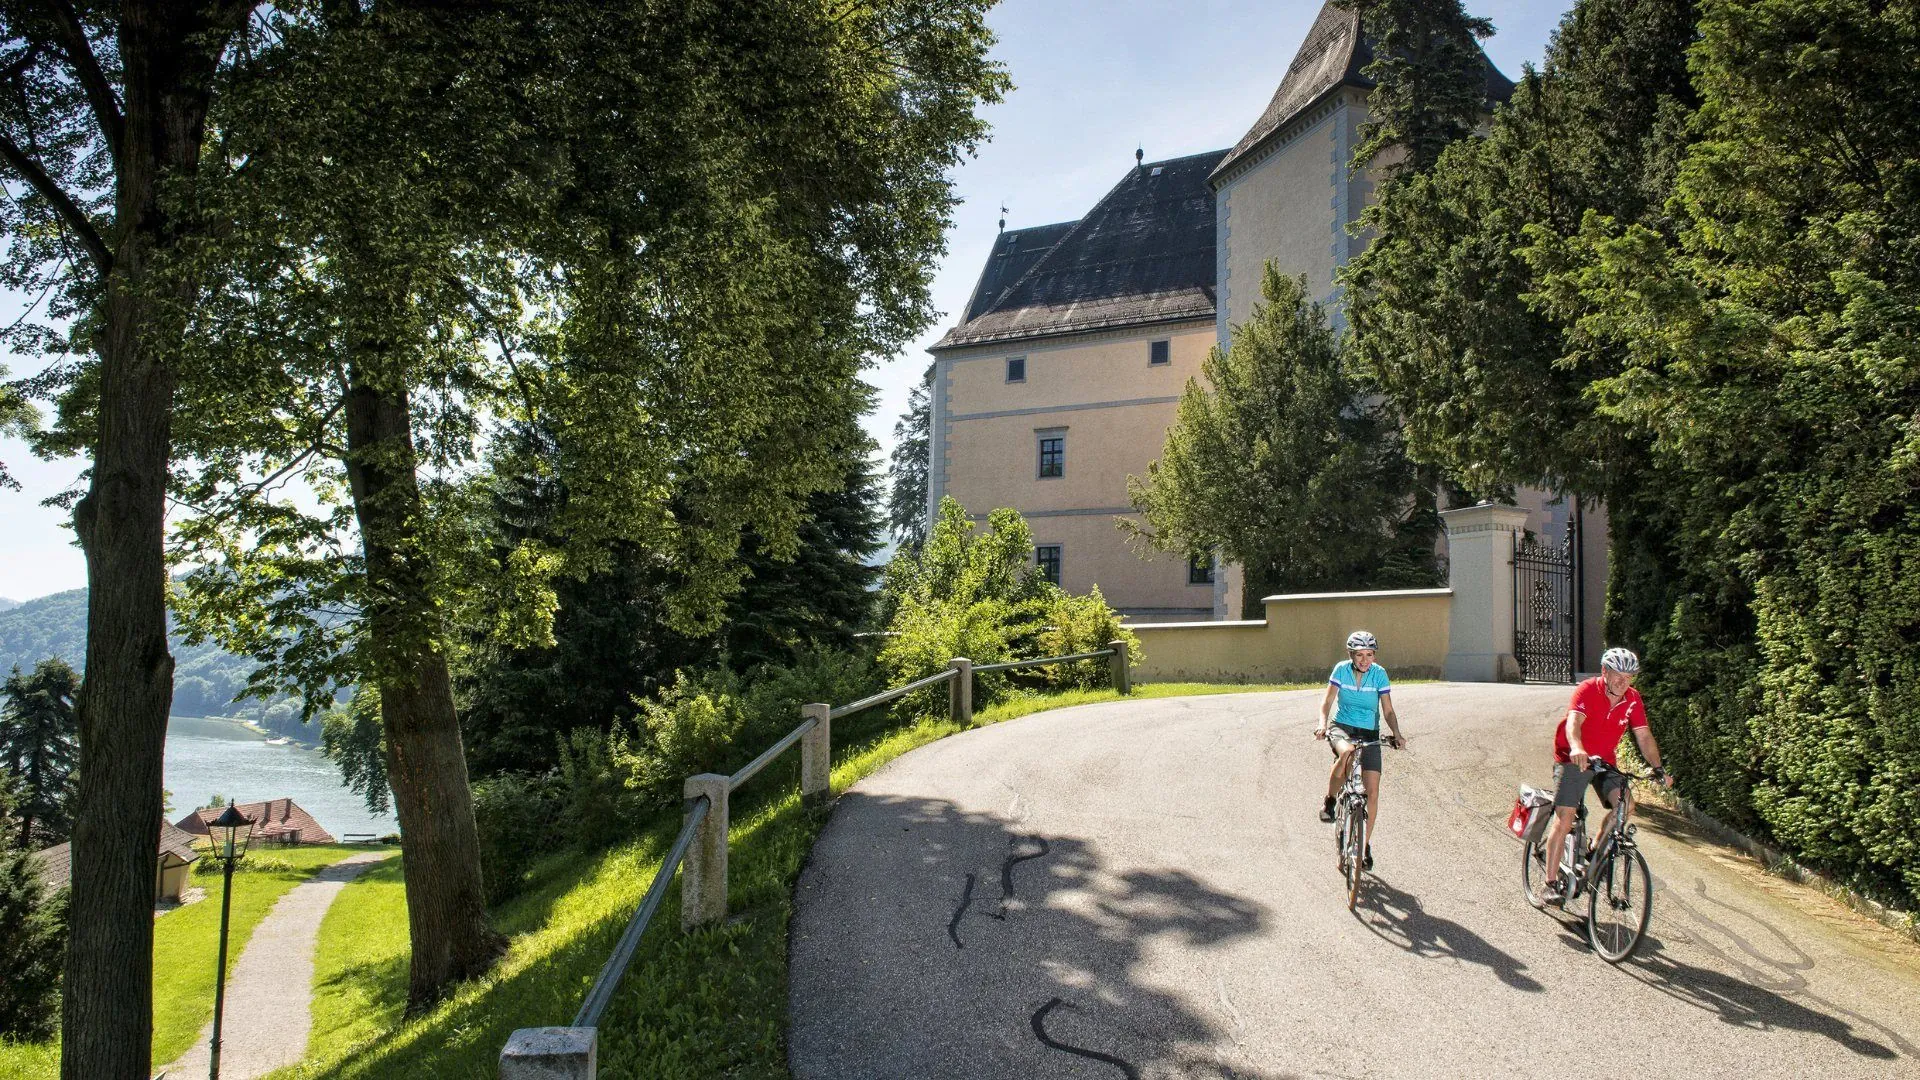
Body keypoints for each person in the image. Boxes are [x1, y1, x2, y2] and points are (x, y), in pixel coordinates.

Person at [1540, 647, 1674, 904]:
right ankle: (1549, 883)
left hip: (1604, 762)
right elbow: (1574, 723)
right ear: (1605, 672)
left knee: (1626, 806)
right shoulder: (1588, 690)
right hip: (1574, 758)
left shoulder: (1633, 699)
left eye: (1629, 677)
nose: (1623, 682)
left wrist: (1659, 769)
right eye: (1617, 675)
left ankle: (1594, 849)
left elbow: (1644, 737)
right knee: (1566, 817)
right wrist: (1577, 748)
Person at [1315, 630, 1404, 870]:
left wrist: (1396, 733)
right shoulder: (1341, 670)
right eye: (1360, 655)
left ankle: (1364, 845)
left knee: (1372, 792)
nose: (1365, 660)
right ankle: (1330, 801)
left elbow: (1387, 709)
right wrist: (1322, 724)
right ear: (1351, 655)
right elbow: (1328, 700)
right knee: (1346, 753)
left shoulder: (1379, 675)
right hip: (1342, 727)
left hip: (1369, 733)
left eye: (1370, 654)